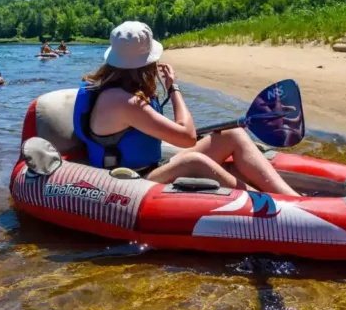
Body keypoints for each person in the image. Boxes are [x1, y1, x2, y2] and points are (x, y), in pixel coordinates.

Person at [72, 21, 298, 195]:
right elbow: (188, 138)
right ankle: (276, 205)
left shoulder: (108, 88)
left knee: (232, 134)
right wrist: (173, 89)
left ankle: (291, 196)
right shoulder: (125, 102)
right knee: (193, 161)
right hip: (129, 180)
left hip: (149, 168)